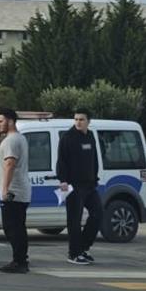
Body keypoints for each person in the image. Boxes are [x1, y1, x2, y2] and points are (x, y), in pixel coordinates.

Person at [57, 108, 102, 265]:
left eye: (81, 119)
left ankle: (83, 247)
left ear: (88, 121)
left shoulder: (90, 136)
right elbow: (61, 160)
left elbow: (94, 159)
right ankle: (74, 253)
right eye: (76, 119)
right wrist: (63, 180)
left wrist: (95, 177)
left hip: (90, 185)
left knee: (98, 214)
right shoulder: (68, 138)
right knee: (74, 220)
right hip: (74, 185)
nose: (78, 122)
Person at [0, 107, 30, 273]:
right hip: (19, 191)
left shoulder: (11, 141)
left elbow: (9, 164)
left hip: (13, 192)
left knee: (12, 228)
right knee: (18, 227)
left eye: (0, 121)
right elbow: (1, 158)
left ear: (10, 121)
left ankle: (19, 261)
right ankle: (21, 259)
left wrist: (5, 189)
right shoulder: (16, 139)